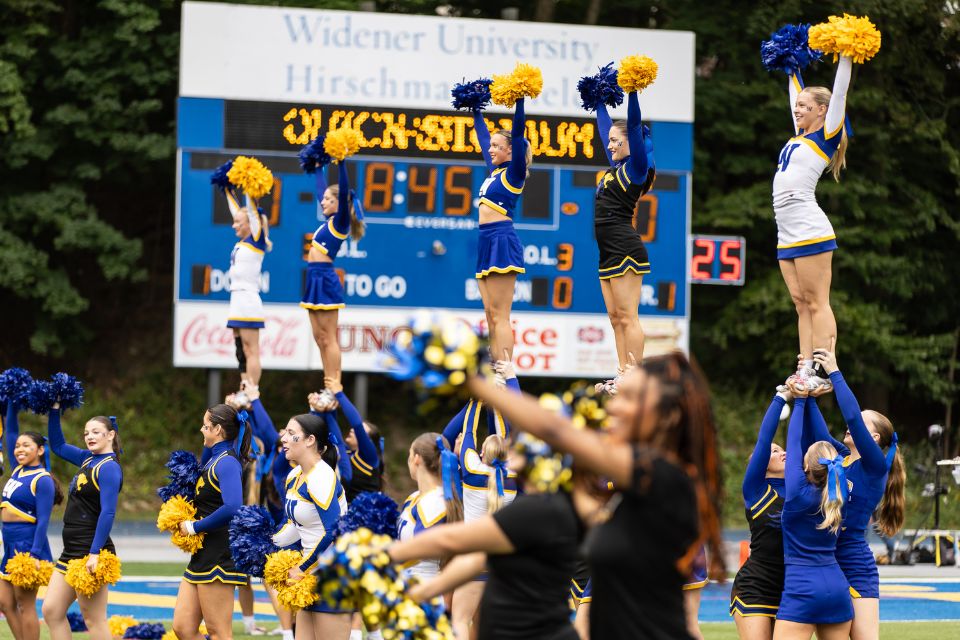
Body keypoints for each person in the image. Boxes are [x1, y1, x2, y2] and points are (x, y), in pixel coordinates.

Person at [467, 351, 724, 640]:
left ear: (669, 417)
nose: (613, 407)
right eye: (617, 396)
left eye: (630, 398)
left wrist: (475, 382)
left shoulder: (666, 479)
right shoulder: (632, 493)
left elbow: (554, 430)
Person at [389, 432, 604, 640]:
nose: (508, 457)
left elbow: (452, 539)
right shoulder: (559, 508)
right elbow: (477, 558)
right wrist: (428, 590)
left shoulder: (536, 510)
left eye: (516, 452)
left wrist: (383, 554)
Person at [805, 349, 906, 639]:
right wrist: (808, 395)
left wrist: (835, 372)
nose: (852, 423)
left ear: (873, 439)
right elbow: (818, 436)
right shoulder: (840, 457)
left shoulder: (874, 465)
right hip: (824, 556)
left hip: (853, 560)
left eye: (861, 423)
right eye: (855, 421)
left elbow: (849, 412)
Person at [774, 55, 853, 389]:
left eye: (805, 106)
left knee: (818, 302)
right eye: (797, 105)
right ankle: (805, 367)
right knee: (800, 304)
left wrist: (847, 53)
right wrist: (792, 66)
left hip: (808, 227)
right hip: (786, 231)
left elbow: (840, 91)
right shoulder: (800, 135)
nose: (798, 108)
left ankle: (825, 368)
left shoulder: (827, 135)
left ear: (823, 110)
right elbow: (796, 93)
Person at [588, 88, 656, 394]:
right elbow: (605, 129)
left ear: (634, 142)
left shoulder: (636, 169)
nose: (611, 144)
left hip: (625, 247)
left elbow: (633, 122)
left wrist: (631, 93)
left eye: (618, 141)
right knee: (615, 318)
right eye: (611, 141)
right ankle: (621, 372)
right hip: (607, 250)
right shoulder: (614, 170)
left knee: (628, 316)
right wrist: (599, 101)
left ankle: (635, 372)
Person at [775, 382, 852, 639]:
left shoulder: (797, 493)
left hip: (802, 587)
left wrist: (799, 399)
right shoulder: (841, 492)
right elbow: (823, 448)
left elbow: (794, 439)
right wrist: (808, 400)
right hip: (838, 587)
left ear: (806, 466)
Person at [41, 408, 122, 640]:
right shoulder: (88, 458)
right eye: (87, 433)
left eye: (96, 432)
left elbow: (108, 512)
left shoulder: (109, 467)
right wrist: (55, 410)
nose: (90, 436)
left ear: (111, 435)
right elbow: (57, 446)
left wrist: (95, 553)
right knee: (52, 610)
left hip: (90, 551)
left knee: (93, 620)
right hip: (71, 550)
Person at [172, 404, 251, 640]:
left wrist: (194, 526)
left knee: (219, 632)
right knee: (183, 627)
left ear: (218, 429)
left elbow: (233, 506)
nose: (201, 429)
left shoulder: (227, 462)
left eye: (206, 426)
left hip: (219, 554)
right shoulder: (213, 458)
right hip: (203, 553)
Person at [272, 413, 350, 640]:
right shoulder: (295, 475)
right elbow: (295, 526)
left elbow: (334, 531)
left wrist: (302, 568)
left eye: (291, 433)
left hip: (331, 574)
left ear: (310, 440)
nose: (284, 439)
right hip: (308, 576)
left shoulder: (322, 476)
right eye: (285, 433)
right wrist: (264, 543)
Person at [470, 96, 532, 368]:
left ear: (511, 151)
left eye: (497, 146)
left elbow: (518, 134)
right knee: (490, 314)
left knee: (501, 314)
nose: (491, 149)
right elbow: (483, 138)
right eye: (491, 145)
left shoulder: (514, 172)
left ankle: (505, 370)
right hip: (486, 240)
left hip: (501, 239)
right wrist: (476, 111)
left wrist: (519, 101)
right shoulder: (494, 172)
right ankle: (496, 366)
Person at [300, 160, 365, 391]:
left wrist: (342, 163)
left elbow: (344, 189)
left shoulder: (340, 222)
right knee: (319, 338)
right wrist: (318, 168)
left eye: (329, 199)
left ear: (340, 203)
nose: (324, 201)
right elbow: (321, 190)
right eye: (324, 199)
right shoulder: (329, 220)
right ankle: (327, 383)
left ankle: (334, 385)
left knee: (329, 337)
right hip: (313, 278)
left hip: (325, 278)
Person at [0, 403, 62, 640]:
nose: (19, 449)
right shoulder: (18, 470)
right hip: (10, 543)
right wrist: (11, 406)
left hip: (27, 546)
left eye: (26, 446)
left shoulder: (42, 479)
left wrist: (35, 554)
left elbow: (44, 520)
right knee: (5, 603)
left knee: (25, 605)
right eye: (17, 447)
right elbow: (11, 433)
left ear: (40, 450)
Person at [730, 392, 789, 639]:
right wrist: (781, 398)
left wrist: (805, 398)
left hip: (792, 587)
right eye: (774, 452)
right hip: (756, 585)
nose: (782, 451)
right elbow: (764, 440)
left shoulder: (802, 488)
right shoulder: (756, 490)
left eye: (782, 448)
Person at [396, 433, 464, 582]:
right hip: (407, 584)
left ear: (416, 458)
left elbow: (417, 550)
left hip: (423, 589)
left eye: (410, 454)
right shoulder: (415, 497)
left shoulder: (435, 501)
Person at [224, 190, 272, 390]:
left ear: (250, 224)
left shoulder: (256, 240)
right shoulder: (243, 242)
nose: (234, 225)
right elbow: (239, 211)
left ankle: (252, 390)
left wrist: (248, 187)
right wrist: (226, 189)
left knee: (252, 350)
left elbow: (251, 213)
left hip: (248, 299)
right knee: (241, 349)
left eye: (238, 222)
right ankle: (244, 386)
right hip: (237, 299)